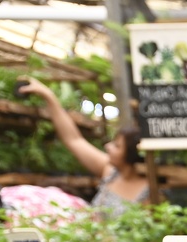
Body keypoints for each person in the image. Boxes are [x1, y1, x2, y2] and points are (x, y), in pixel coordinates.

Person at [18, 78, 149, 217]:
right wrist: (48, 96)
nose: (108, 147)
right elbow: (74, 139)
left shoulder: (148, 191)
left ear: (131, 154)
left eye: (117, 146)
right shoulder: (111, 173)